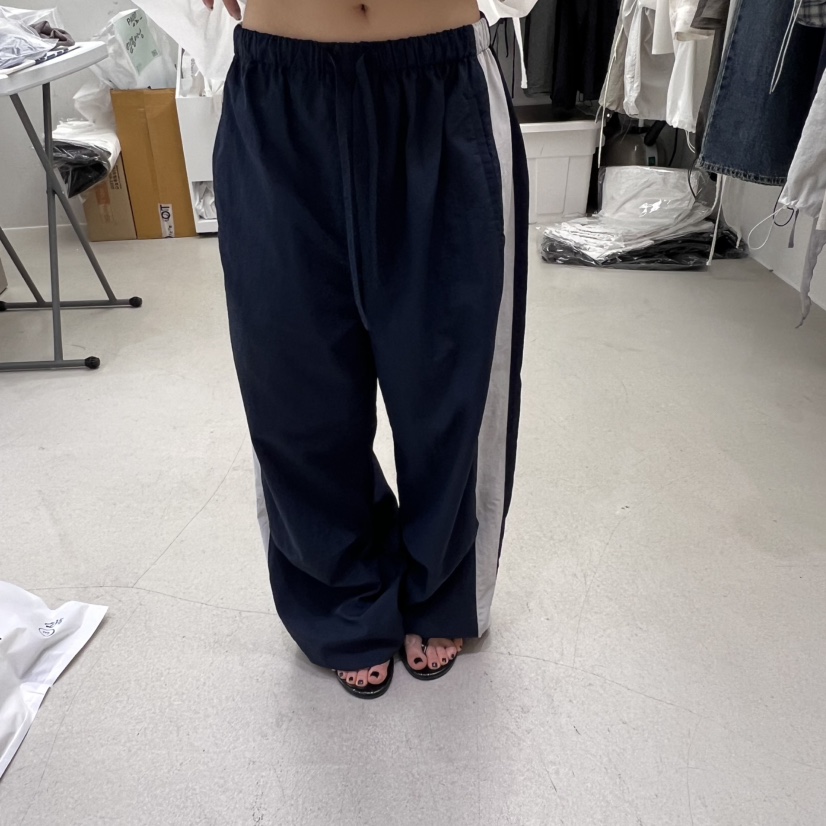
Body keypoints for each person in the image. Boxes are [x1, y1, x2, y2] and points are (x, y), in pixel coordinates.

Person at [205, 0, 528, 698]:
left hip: (440, 81)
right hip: (280, 89)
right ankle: (340, 589)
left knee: (453, 377)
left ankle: (441, 586)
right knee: (291, 381)